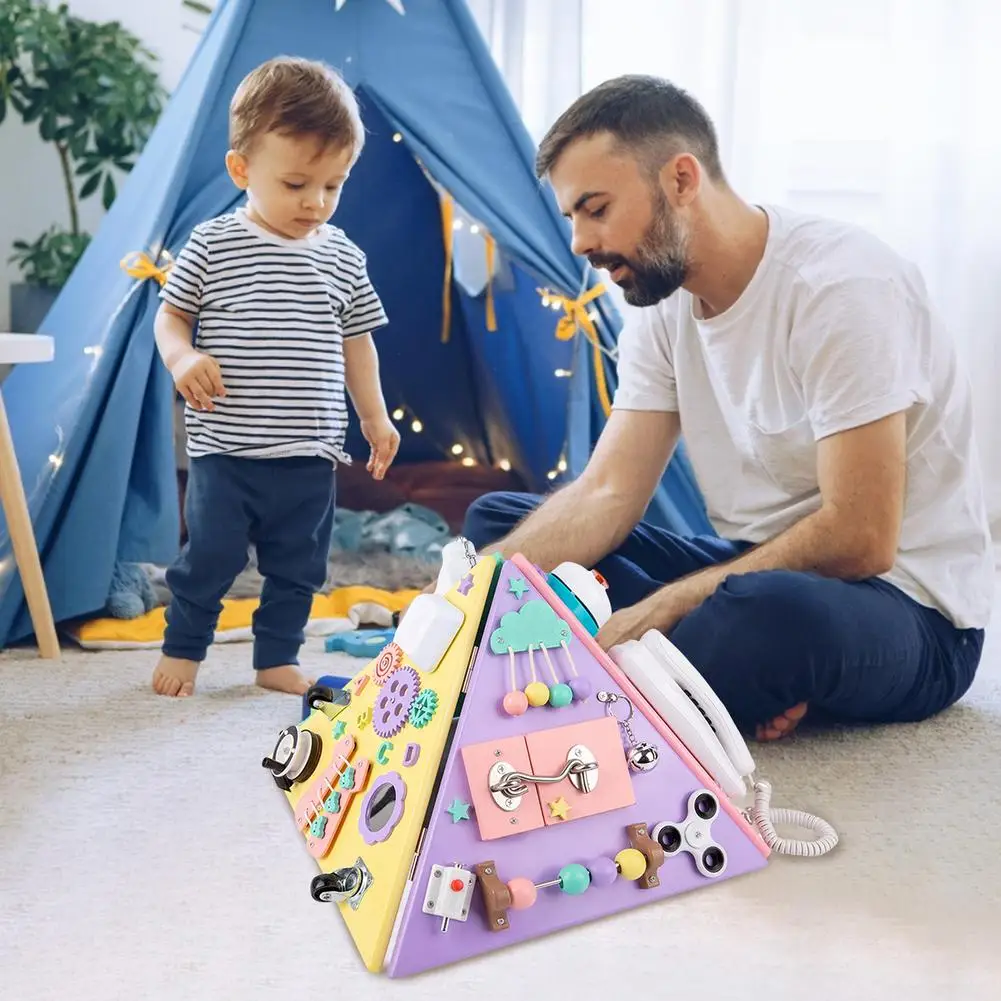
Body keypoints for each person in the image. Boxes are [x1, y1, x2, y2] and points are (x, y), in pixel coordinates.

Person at [460, 74, 994, 741]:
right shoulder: (662, 303)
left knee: (758, 613)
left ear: (681, 179)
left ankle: (652, 672)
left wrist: (669, 602)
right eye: (572, 216)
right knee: (500, 527)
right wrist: (457, 605)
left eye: (594, 209)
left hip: (910, 610)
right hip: (754, 563)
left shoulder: (841, 286)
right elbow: (604, 492)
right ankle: (700, 680)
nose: (578, 242)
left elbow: (861, 537)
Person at [151, 57, 399, 698]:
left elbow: (358, 342)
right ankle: (184, 648)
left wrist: (373, 416)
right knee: (208, 558)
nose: (315, 203)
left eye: (333, 186)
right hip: (226, 452)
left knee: (299, 567)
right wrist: (182, 359)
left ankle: (276, 659)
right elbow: (170, 321)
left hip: (310, 452)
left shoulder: (343, 255)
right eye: (295, 184)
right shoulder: (212, 245)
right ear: (242, 170)